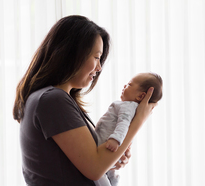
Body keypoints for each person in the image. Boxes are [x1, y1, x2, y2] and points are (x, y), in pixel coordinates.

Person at [13, 15, 157, 186]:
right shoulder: (52, 100)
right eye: (96, 57)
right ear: (73, 54)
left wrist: (111, 159)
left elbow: (92, 163)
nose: (99, 68)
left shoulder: (53, 99)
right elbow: (94, 169)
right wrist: (138, 120)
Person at [94, 72, 162, 186]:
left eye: (129, 85)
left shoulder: (127, 106)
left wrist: (115, 139)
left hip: (109, 144)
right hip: (108, 149)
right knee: (109, 175)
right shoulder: (130, 108)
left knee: (101, 178)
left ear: (140, 96)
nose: (125, 86)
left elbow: (123, 124)